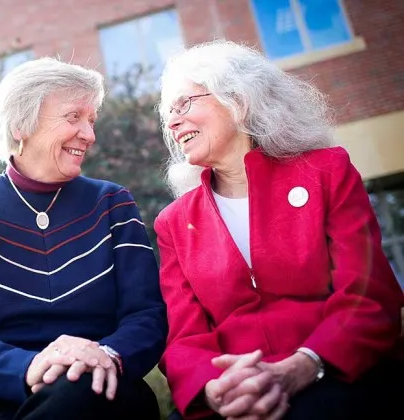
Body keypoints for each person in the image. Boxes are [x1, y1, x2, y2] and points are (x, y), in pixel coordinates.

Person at [154, 40, 404, 420]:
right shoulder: (174, 222)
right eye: (168, 113)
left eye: (185, 103)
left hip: (335, 372)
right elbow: (184, 339)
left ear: (239, 101)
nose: (172, 122)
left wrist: (301, 366)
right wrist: (215, 389)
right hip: (233, 395)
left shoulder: (326, 172)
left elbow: (369, 296)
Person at [0, 57, 167, 420]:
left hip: (107, 386)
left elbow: (147, 315)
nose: (89, 135)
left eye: (91, 120)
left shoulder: (112, 202)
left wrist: (106, 356)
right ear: (21, 124)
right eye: (74, 117)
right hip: (5, 394)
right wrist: (32, 366)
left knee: (79, 390)